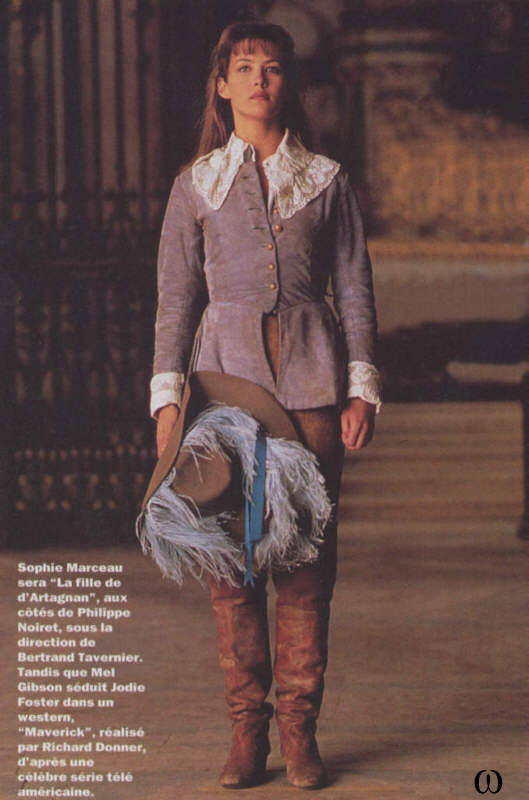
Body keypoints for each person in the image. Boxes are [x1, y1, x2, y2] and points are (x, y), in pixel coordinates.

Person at [147, 20, 381, 790]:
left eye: (271, 68)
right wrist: (167, 401)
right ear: (220, 84)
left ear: (288, 83)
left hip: (312, 389)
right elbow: (175, 303)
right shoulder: (195, 185)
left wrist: (359, 388)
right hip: (223, 393)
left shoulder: (325, 180)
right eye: (243, 67)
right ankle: (246, 733)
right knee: (231, 566)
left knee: (306, 566)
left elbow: (354, 288)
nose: (257, 80)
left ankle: (300, 734)